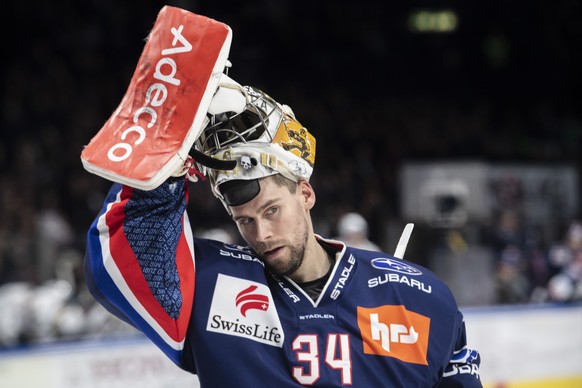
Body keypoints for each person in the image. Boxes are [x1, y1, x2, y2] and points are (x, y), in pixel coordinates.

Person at [83, 74, 482, 386]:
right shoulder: (210, 283)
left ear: (306, 194)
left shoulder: (419, 298)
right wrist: (163, 153)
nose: (261, 234)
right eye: (245, 221)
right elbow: (119, 262)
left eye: (272, 210)